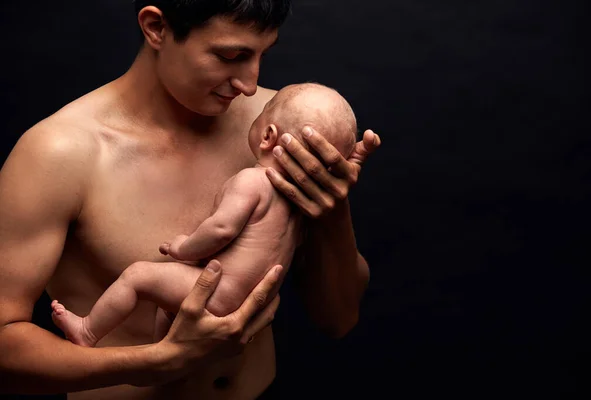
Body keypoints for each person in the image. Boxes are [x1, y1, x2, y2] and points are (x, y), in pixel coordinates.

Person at [0, 1, 381, 399]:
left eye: (263, 55)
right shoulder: (60, 153)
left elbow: (338, 320)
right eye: (230, 56)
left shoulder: (280, 128)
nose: (250, 84)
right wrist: (159, 362)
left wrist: (333, 212)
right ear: (156, 28)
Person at [50, 82, 359, 348]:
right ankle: (168, 355)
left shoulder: (252, 180)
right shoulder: (299, 207)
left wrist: (183, 248)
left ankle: (88, 331)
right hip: (249, 301)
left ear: (267, 135)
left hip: (217, 292)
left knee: (138, 277)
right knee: (168, 308)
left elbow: (222, 229)